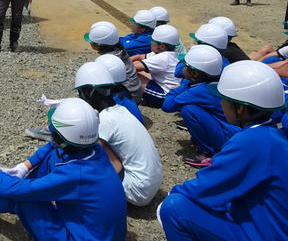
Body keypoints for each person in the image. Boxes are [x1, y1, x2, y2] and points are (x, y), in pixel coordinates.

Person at [0, 98, 127, 241]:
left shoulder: (74, 174)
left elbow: (10, 188)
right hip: (101, 234)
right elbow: (53, 147)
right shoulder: (94, 151)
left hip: (78, 236)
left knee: (21, 197)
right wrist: (25, 166)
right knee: (50, 161)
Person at [159, 60, 288, 241]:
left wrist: (174, 193)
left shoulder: (251, 142)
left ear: (240, 108)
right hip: (268, 226)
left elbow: (203, 189)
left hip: (262, 233)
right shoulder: (273, 134)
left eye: (224, 100)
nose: (221, 103)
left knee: (174, 207)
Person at [74, 62, 163, 206]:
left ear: (88, 93)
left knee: (94, 148)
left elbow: (86, 151)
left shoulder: (106, 120)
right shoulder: (120, 110)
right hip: (151, 183)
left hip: (137, 191)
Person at [162, 45, 239, 168]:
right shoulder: (215, 81)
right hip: (235, 133)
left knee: (189, 110)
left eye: (185, 66)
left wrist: (178, 88)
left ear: (195, 73)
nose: (183, 68)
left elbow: (167, 106)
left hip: (229, 140)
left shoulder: (200, 90)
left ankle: (208, 152)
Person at [84, 21, 141, 102]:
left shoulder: (108, 60)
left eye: (91, 41)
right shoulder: (119, 48)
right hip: (135, 92)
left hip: (128, 97)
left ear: (98, 44)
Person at [132, 24, 181, 108]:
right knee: (141, 71)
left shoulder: (164, 57)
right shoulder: (167, 53)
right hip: (169, 91)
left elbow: (132, 68)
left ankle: (131, 97)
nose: (150, 43)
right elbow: (139, 57)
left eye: (152, 41)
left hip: (164, 97)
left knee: (131, 75)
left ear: (162, 46)